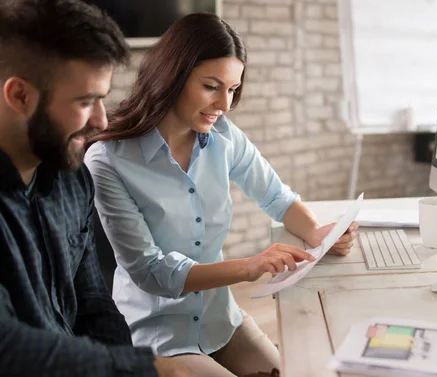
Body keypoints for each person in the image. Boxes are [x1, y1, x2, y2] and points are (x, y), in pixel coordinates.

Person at [84, 12, 359, 377]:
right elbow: (150, 272)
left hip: (220, 319)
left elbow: (276, 196)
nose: (225, 104)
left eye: (232, 89)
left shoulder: (224, 137)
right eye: (212, 87)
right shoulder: (107, 160)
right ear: (173, 76)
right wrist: (249, 266)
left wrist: (317, 233)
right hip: (158, 333)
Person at [0, 0, 193, 376]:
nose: (101, 120)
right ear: (19, 96)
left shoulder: (72, 180)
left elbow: (92, 301)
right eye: (85, 102)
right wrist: (146, 369)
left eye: (101, 98)